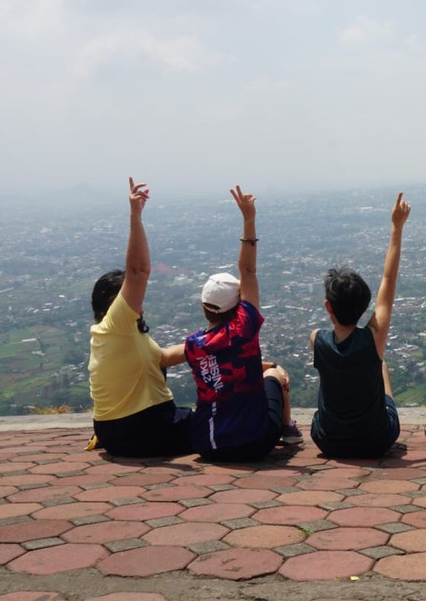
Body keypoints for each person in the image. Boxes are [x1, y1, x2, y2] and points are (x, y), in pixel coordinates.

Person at [184, 186, 302, 461]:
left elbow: (222, 366)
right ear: (237, 306)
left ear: (203, 306)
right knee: (274, 375)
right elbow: (248, 271)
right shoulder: (243, 330)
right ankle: (288, 429)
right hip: (254, 442)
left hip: (207, 444)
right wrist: (249, 219)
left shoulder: (192, 346)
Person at [87, 178, 192, 457]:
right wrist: (136, 216)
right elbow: (137, 272)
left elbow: (162, 358)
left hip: (113, 433)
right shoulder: (117, 322)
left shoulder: (115, 334)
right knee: (218, 424)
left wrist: (210, 341)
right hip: (144, 429)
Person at [310, 192, 410, 458]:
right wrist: (397, 227)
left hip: (328, 441)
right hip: (375, 440)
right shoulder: (373, 339)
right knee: (380, 363)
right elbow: (388, 279)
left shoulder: (316, 339)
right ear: (365, 308)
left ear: (328, 307)